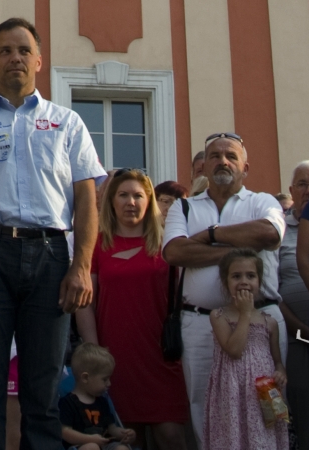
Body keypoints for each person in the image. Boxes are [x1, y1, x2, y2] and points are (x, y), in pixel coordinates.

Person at [0, 19, 103, 450]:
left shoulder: (68, 124)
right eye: (6, 51)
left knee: (43, 389)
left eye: (23, 50)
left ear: (39, 60)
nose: (15, 58)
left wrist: (81, 267)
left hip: (50, 256)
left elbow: (86, 202)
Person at [162, 133, 284, 447]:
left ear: (246, 166)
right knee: (205, 406)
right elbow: (175, 253)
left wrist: (212, 234)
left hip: (261, 321)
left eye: (230, 155)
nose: (222, 161)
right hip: (199, 324)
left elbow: (269, 233)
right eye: (215, 155)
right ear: (204, 165)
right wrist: (237, 256)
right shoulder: (184, 208)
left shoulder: (262, 202)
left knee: (268, 404)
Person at [75, 169, 185, 450]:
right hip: (116, 357)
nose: (130, 202)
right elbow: (86, 301)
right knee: (126, 437)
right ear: (112, 201)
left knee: (170, 435)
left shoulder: (167, 245)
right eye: (123, 195)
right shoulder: (98, 245)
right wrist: (94, 350)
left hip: (163, 355)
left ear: (149, 202)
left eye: (138, 195)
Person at [205, 250, 288, 450]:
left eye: (250, 276)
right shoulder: (219, 316)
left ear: (259, 281)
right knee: (234, 438)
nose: (244, 281)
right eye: (236, 276)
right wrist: (245, 314)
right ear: (226, 282)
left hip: (262, 395)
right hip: (233, 392)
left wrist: (280, 372)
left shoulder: (270, 322)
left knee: (263, 438)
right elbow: (234, 350)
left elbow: (277, 359)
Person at [273, 162, 309, 450]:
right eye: (303, 184)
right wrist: (301, 329)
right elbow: (270, 289)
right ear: (292, 190)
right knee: (307, 413)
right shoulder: (278, 227)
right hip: (296, 338)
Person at [56, 344, 130, 447]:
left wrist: (123, 434)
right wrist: (90, 439)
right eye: (105, 379)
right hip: (79, 446)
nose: (109, 383)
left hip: (103, 445)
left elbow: (111, 428)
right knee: (92, 447)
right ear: (85, 378)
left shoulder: (102, 401)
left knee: (121, 448)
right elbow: (64, 432)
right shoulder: (67, 403)